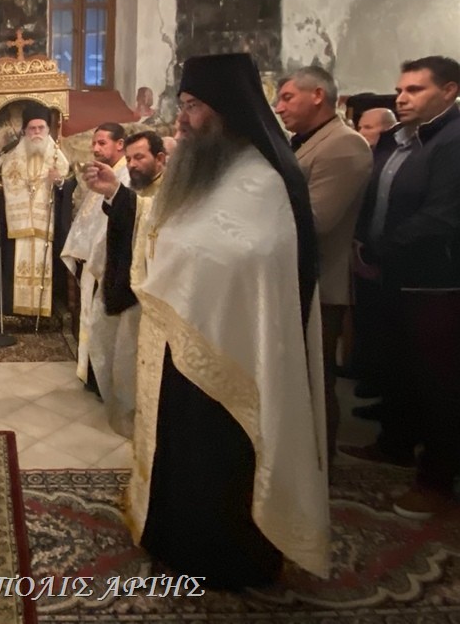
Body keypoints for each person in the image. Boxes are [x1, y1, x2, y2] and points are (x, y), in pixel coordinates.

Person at [93, 53, 329, 588]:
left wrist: (185, 269)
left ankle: (222, 556)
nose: (183, 118)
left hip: (234, 349)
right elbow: (173, 228)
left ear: (226, 110)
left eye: (194, 106)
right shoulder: (209, 168)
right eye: (183, 104)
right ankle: (172, 534)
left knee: (219, 456)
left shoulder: (262, 177)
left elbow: (253, 255)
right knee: (184, 450)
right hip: (186, 339)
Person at [344, 55, 460, 520]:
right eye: (400, 90)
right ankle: (395, 444)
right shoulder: (398, 139)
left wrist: (380, 248)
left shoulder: (452, 140)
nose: (402, 98)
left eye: (415, 89)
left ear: (449, 91)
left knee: (438, 381)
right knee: (399, 367)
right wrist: (362, 242)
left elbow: (443, 215)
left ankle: (436, 478)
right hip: (389, 273)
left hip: (434, 280)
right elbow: (375, 196)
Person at [275, 66, 372, 462]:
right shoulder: (307, 141)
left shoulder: (344, 145)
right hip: (294, 275)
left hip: (320, 281)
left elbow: (316, 221)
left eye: (287, 97)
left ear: (317, 95)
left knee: (315, 379)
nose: (279, 107)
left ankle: (318, 468)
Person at [81, 130, 167, 434]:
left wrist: (116, 192)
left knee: (134, 359)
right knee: (121, 357)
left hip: (148, 292)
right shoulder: (140, 189)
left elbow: (149, 217)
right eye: (129, 159)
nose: (132, 165)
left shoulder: (168, 191)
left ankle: (141, 421)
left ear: (160, 158)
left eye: (139, 157)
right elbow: (129, 215)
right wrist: (112, 193)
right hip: (126, 284)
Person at [0, 103, 71, 318]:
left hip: (47, 229)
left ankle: (46, 311)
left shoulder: (59, 160)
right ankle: (15, 309)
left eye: (41, 128)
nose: (36, 133)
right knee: (13, 265)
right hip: (18, 230)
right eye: (32, 128)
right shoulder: (12, 158)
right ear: (24, 131)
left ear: (48, 130)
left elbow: (71, 188)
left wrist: (60, 182)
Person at [60, 123, 128, 389]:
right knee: (92, 321)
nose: (95, 148)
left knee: (102, 324)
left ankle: (103, 382)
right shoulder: (105, 172)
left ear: (119, 144)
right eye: (94, 143)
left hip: (108, 264)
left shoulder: (124, 176)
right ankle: (92, 375)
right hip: (93, 262)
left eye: (102, 143)